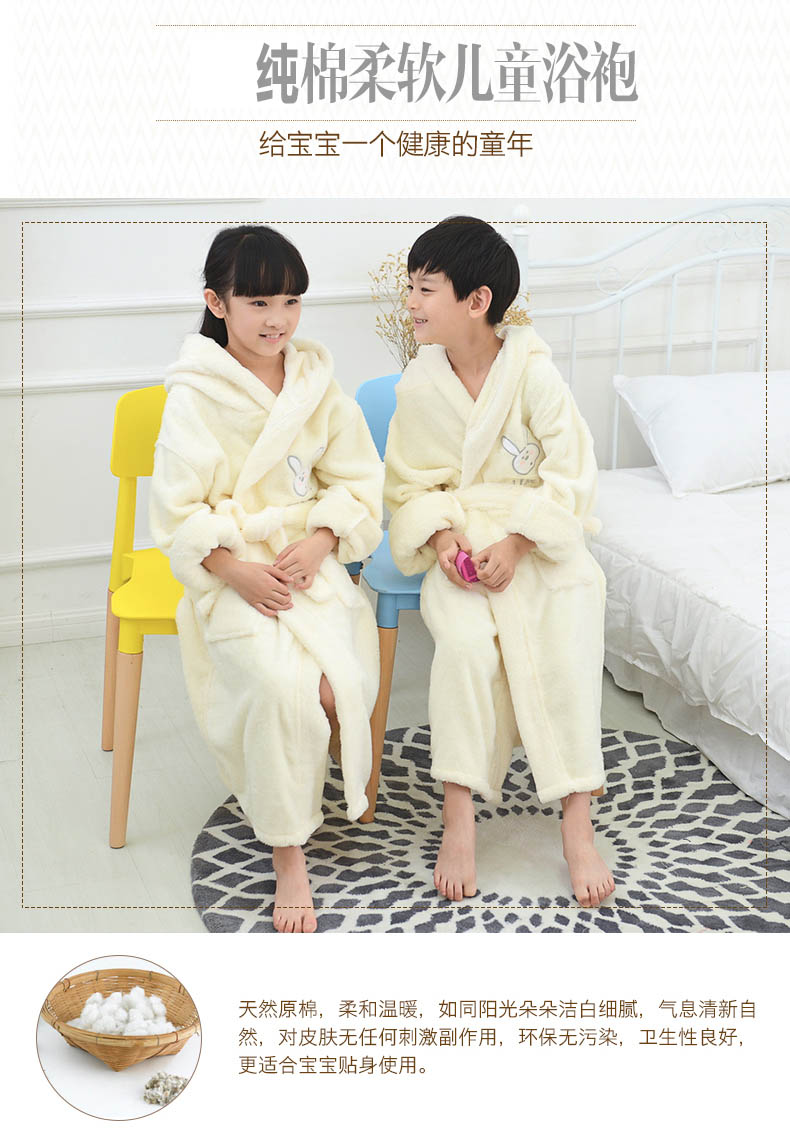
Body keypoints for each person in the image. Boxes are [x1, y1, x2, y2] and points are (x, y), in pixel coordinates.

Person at [149, 225, 384, 932]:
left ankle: (311, 779)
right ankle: (288, 849)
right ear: (216, 303)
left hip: (308, 560)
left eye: (290, 301)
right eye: (258, 302)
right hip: (231, 571)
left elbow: (359, 481)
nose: (278, 319)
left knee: (336, 684)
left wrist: (320, 541)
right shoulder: (193, 395)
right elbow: (177, 514)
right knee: (284, 688)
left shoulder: (316, 382)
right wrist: (236, 572)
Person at [384, 216, 615, 908]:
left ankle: (577, 821)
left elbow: (572, 474)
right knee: (464, 647)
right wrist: (445, 542)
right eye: (411, 287)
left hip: (535, 540)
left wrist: (519, 542)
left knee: (571, 623)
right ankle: (459, 815)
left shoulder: (533, 373)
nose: (412, 303)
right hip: (460, 542)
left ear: (477, 300)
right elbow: (408, 486)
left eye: (426, 289)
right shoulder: (419, 384)